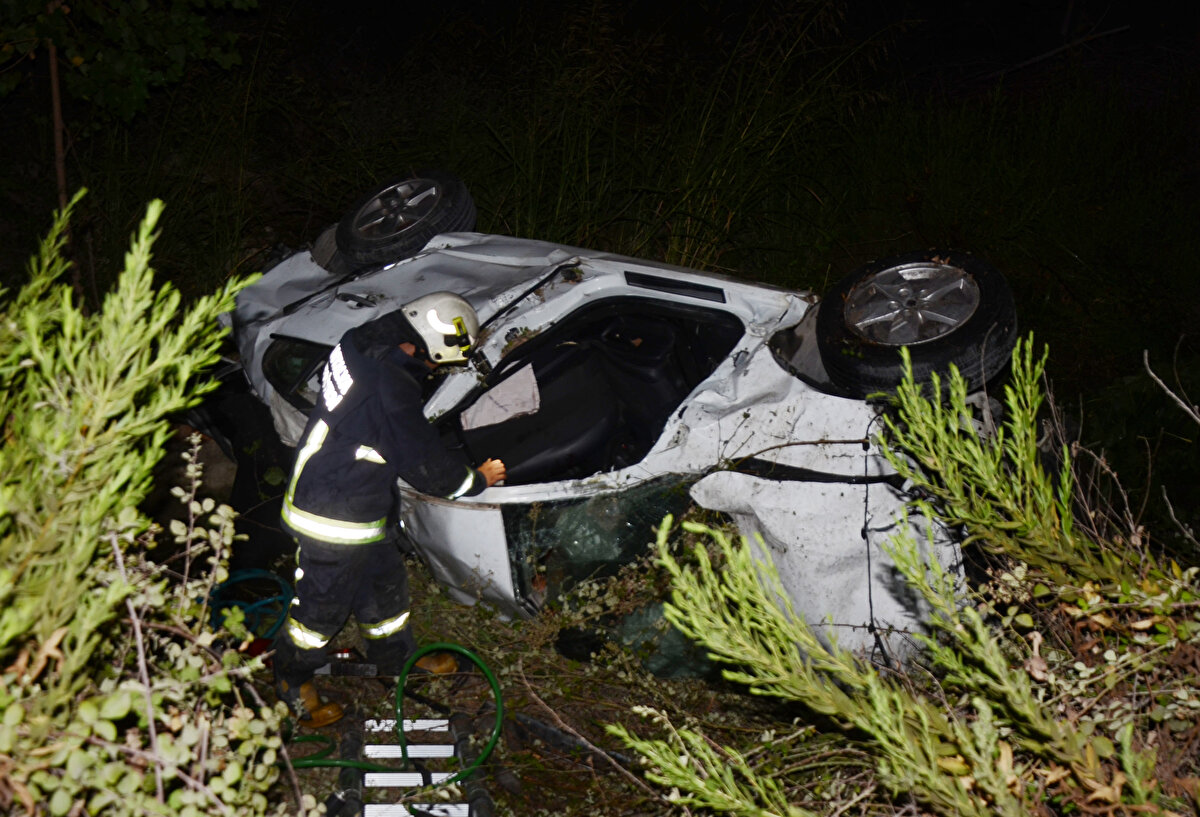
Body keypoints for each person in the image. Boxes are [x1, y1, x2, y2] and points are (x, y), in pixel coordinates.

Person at [273, 291, 506, 727]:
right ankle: (290, 678)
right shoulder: (390, 391)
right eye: (440, 363)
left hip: (361, 501)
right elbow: (428, 468)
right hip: (332, 516)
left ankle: (396, 660)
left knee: (385, 590)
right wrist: (478, 479)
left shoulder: (360, 341)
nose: (437, 371)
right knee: (319, 614)